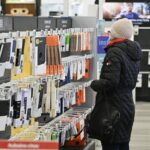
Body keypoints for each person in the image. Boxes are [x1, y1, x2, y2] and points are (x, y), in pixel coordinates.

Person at [90, 18, 142, 150]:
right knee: (123, 143)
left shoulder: (114, 52)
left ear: (115, 33)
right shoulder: (133, 51)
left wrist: (93, 84)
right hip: (127, 105)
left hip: (112, 107)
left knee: (111, 143)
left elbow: (110, 82)